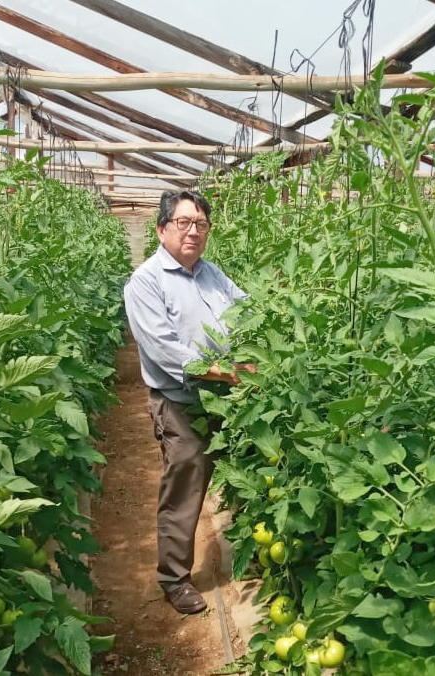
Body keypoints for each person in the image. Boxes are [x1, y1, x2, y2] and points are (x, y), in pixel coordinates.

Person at [124, 189, 254, 614]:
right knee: (185, 484)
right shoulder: (145, 282)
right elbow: (163, 351)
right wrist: (226, 370)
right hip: (180, 403)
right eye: (183, 223)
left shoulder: (212, 274)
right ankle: (174, 578)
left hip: (226, 400)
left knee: (237, 472)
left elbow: (248, 311)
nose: (193, 232)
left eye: (201, 224)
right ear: (162, 230)